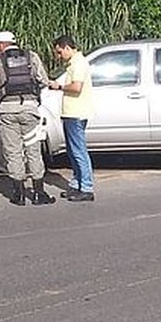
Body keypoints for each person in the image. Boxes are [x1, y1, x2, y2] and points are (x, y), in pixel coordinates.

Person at [0, 31, 55, 206]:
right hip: (30, 110)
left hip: (7, 112)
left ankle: (19, 194)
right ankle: (39, 193)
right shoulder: (32, 57)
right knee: (33, 150)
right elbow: (43, 81)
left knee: (13, 151)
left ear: (2, 45)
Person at [49, 35, 95, 202]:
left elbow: (76, 87)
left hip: (76, 113)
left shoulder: (78, 63)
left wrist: (59, 86)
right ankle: (77, 184)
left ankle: (87, 187)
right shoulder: (72, 63)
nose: (59, 56)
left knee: (78, 151)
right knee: (72, 151)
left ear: (67, 47)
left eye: (60, 52)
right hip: (70, 113)